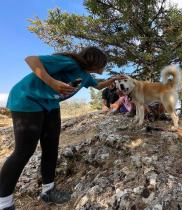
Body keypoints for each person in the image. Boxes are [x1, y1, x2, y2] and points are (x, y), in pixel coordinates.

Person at [0, 46, 126, 210]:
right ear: (96, 61)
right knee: (24, 151)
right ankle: (4, 203)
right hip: (27, 99)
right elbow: (31, 59)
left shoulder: (86, 76)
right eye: (104, 64)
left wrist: (114, 79)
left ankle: (48, 191)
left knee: (51, 147)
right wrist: (52, 82)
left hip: (50, 104)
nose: (104, 67)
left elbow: (99, 85)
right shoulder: (69, 62)